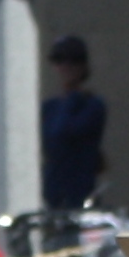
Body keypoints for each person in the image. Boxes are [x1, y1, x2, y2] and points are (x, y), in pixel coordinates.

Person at [41, 34, 105, 208]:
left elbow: (61, 133)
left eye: (73, 60)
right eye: (59, 60)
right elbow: (48, 143)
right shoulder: (49, 107)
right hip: (53, 192)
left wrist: (73, 97)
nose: (66, 66)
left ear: (83, 66)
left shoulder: (92, 105)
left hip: (80, 194)